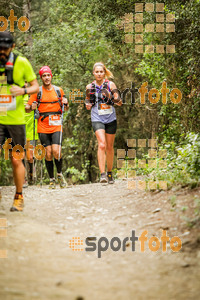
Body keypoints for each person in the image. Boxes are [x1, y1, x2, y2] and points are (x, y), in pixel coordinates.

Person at [0, 31, 39, 211]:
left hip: (16, 119)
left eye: (5, 48)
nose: (2, 51)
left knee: (17, 160)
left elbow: (35, 86)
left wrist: (22, 92)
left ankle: (18, 196)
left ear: (12, 47)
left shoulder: (21, 62)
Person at [26, 66, 69, 189]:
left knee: (57, 151)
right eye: (44, 76)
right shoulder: (37, 92)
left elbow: (66, 108)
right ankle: (51, 179)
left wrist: (66, 103)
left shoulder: (58, 90)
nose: (46, 78)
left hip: (56, 125)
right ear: (41, 78)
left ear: (51, 76)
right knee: (48, 154)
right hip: (43, 125)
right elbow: (27, 108)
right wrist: (31, 107)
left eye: (48, 75)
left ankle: (60, 174)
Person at [85, 62, 122, 184]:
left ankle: (110, 173)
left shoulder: (110, 84)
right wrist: (88, 105)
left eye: (101, 72)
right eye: (97, 72)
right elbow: (87, 102)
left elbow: (120, 102)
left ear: (104, 73)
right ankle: (102, 175)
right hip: (97, 118)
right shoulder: (89, 87)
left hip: (110, 118)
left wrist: (110, 97)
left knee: (110, 147)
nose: (99, 74)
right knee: (102, 144)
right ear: (93, 73)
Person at [23, 86, 39, 186]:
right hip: (20, 128)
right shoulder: (18, 96)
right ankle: (23, 178)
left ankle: (31, 174)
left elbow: (39, 112)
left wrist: (36, 110)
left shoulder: (34, 96)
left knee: (30, 156)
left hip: (32, 129)